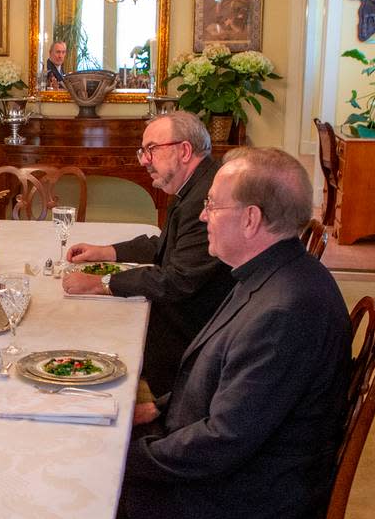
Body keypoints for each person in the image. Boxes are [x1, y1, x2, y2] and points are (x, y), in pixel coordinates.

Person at [118, 147, 352, 519]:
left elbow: (222, 442)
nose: (202, 215)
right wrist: (155, 408)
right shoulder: (268, 271)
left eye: (212, 204)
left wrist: (118, 456)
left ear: (250, 219)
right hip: (228, 463)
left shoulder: (287, 311)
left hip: (243, 495)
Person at [63, 111, 234, 399]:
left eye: (151, 150)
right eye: (143, 151)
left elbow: (176, 280)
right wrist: (106, 252)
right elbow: (165, 247)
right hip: (187, 325)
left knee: (85, 342)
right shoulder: (197, 186)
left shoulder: (203, 199)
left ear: (184, 151)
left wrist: (101, 284)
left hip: (187, 347)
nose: (143, 160)